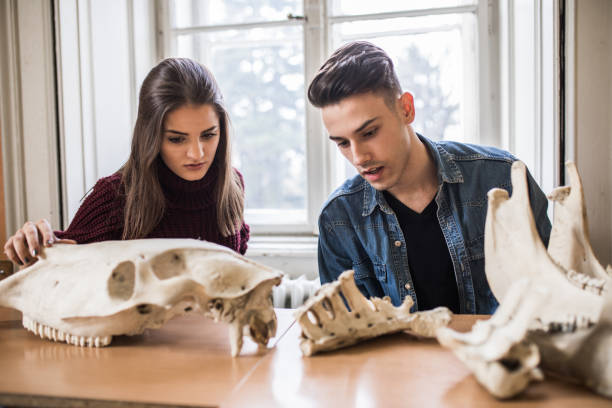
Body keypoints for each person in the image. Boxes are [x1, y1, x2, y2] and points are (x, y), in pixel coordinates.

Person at [308, 41, 551, 314]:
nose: (359, 157)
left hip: (500, 354)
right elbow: (344, 329)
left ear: (406, 109)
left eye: (369, 133)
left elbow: (550, 295)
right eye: (342, 143)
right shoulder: (338, 218)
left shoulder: (504, 179)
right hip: (393, 358)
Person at [4, 58, 249, 267]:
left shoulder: (232, 184)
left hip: (220, 324)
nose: (197, 154)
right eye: (176, 139)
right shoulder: (115, 196)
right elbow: (65, 261)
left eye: (208, 135)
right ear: (150, 137)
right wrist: (34, 242)